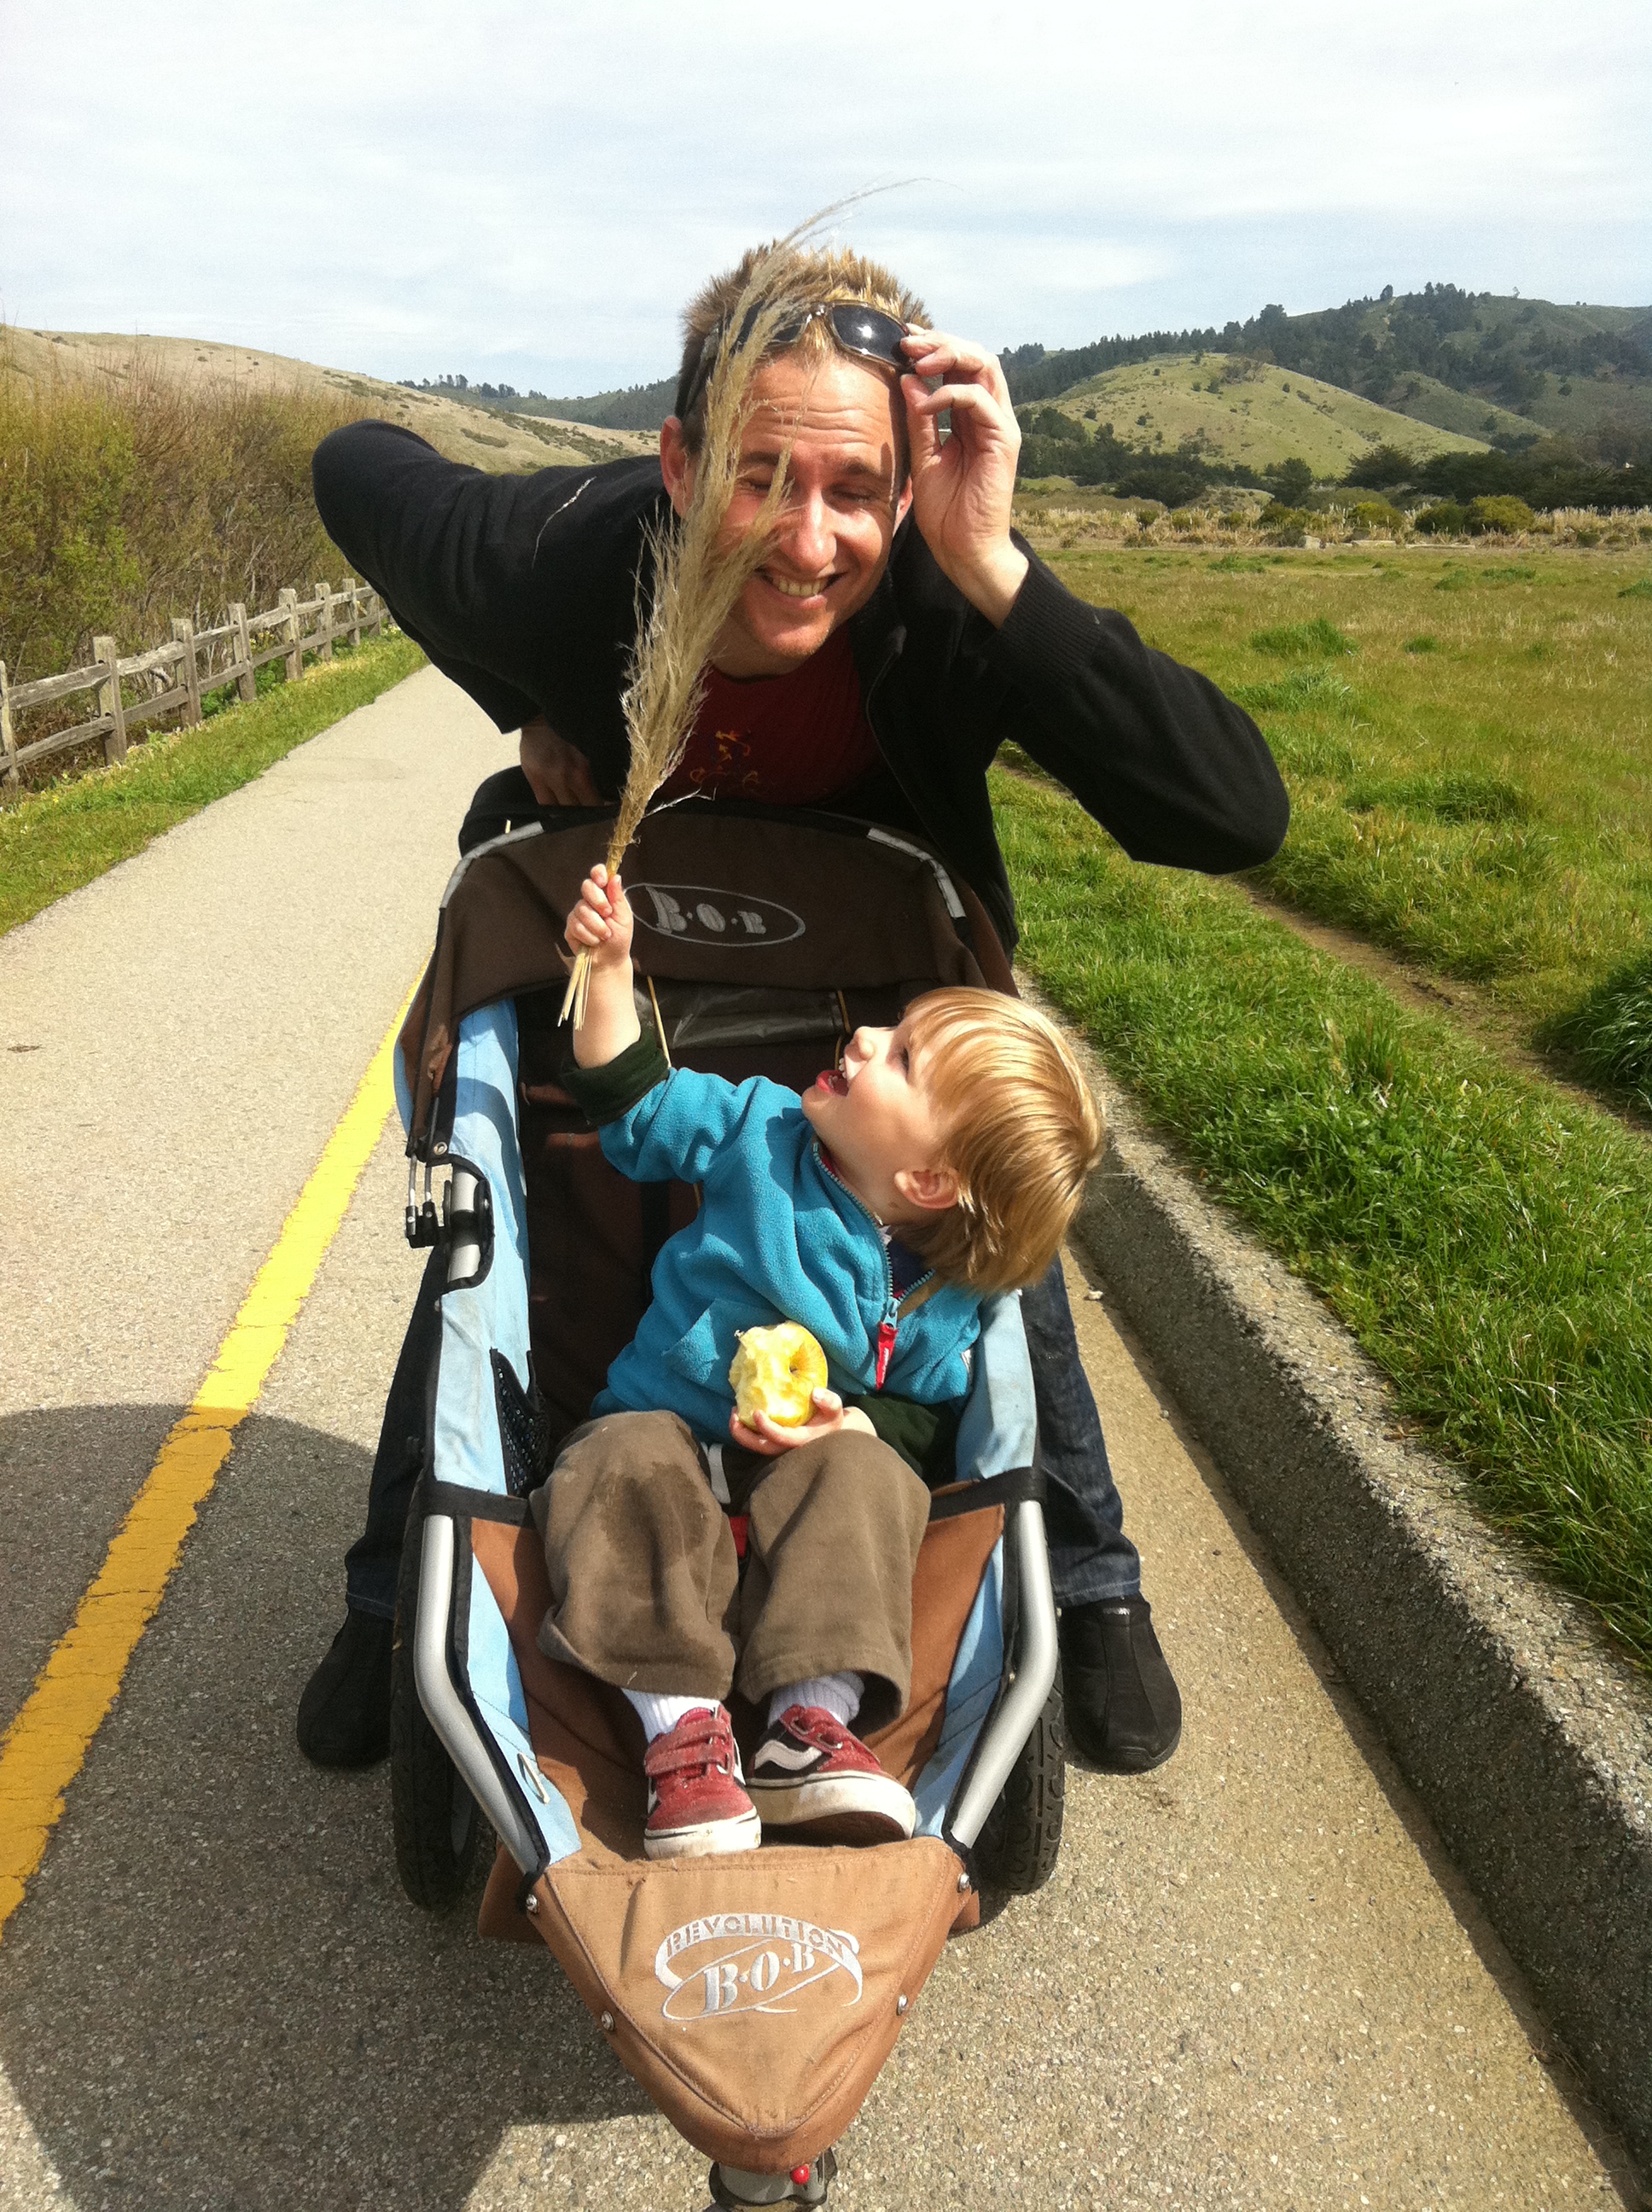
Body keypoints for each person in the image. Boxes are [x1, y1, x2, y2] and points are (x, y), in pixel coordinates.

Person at [297, 239, 1289, 1778]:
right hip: (633, 921)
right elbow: (356, 468)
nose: (810, 541)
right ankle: (396, 1584)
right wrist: (528, 691)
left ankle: (1087, 1572)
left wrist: (994, 563)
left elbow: (1231, 814)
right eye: (761, 479)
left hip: (871, 957)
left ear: (908, 483)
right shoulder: (572, 558)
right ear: (681, 465)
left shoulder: (939, 585)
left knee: (987, 1251)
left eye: (855, 489)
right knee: (490, 1215)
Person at [544, 862, 1104, 1857]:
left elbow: (930, 1414)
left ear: (928, 1180)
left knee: (873, 1476)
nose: (865, 1036)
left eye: (902, 1058)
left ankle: (810, 1721)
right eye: (893, 1027)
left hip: (800, 1492)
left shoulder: (944, 1297)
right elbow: (633, 1103)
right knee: (610, 1464)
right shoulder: (755, 1128)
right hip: (665, 1429)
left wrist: (858, 1425)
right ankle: (682, 1732)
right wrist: (614, 971)